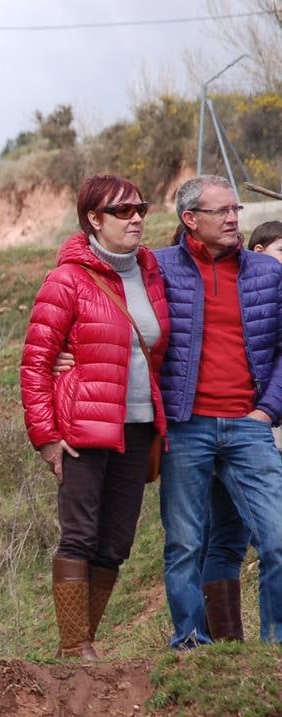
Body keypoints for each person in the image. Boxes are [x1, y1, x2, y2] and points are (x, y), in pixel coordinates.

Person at [20, 175, 169, 658]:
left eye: (140, 209)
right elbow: (36, 362)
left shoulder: (150, 273)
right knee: (80, 535)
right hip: (84, 428)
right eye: (123, 211)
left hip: (140, 425)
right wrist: (45, 436)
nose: (137, 219)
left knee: (117, 543)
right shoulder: (67, 279)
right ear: (93, 219)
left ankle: (86, 641)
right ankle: (73, 648)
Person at [155, 176, 282, 647]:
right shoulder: (158, 267)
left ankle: (275, 647)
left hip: (250, 426)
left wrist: (268, 410)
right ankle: (189, 641)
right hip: (186, 427)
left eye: (236, 208)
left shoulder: (268, 273)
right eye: (222, 211)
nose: (234, 218)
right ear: (191, 219)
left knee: (277, 538)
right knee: (184, 544)